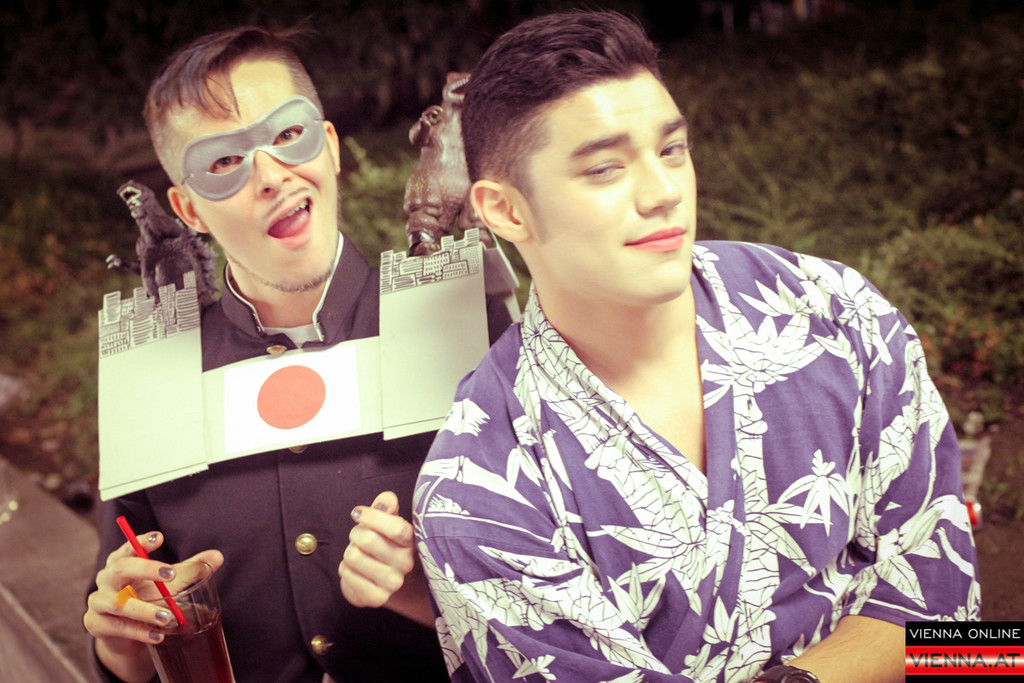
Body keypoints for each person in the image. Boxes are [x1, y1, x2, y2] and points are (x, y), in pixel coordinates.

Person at [413, 10, 980, 683]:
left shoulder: (832, 307)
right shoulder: (476, 489)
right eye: (605, 168)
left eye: (672, 149)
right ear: (507, 210)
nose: (664, 193)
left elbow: (960, 628)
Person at [83, 26, 509, 683]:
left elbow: (559, 605)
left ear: (330, 147)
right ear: (187, 208)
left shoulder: (464, 326)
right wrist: (123, 644)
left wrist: (429, 592)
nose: (270, 175)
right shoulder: (151, 377)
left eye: (287, 134)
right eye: (223, 162)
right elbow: (126, 627)